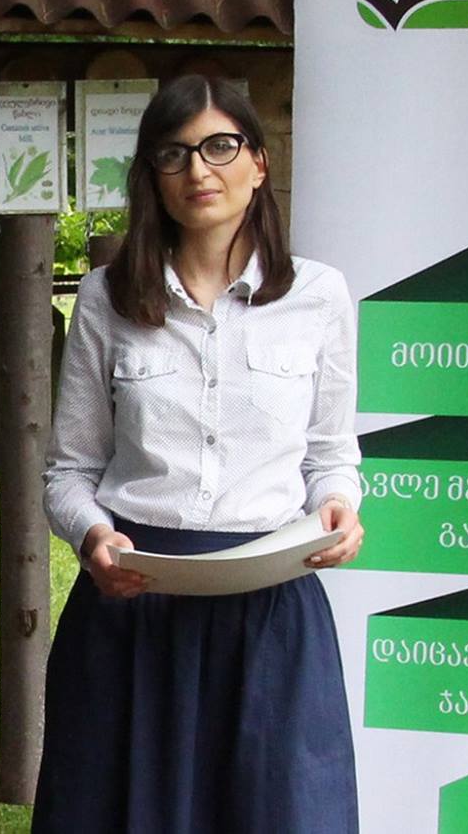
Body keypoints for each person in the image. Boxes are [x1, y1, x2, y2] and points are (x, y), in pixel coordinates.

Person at [34, 75, 363, 833]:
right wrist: (94, 536)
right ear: (152, 174)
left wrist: (338, 509)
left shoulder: (318, 295)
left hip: (271, 613)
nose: (198, 170)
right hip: (135, 607)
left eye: (220, 147)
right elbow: (70, 472)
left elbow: (330, 456)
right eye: (174, 153)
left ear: (259, 163)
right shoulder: (105, 298)